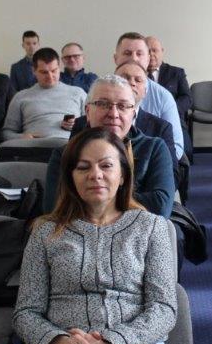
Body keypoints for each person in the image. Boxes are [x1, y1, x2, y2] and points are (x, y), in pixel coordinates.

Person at [13, 128, 177, 344]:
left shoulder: (151, 227)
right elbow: (26, 311)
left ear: (122, 175)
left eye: (106, 166)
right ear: (71, 177)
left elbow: (163, 309)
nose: (95, 175)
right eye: (83, 167)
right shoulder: (45, 231)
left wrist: (112, 343)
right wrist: (57, 341)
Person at [46, 75, 174, 218]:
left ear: (133, 114)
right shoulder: (65, 153)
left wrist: (95, 196)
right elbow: (54, 207)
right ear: (87, 111)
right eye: (103, 104)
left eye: (122, 106)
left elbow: (161, 207)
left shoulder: (154, 148)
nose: (113, 114)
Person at [113, 32, 185, 161]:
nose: (134, 59)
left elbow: (176, 148)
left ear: (148, 59)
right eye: (127, 53)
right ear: (115, 58)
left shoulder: (163, 97)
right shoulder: (98, 91)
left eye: (139, 54)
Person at [2, 47, 87, 141]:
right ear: (34, 71)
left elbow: (93, 126)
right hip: (33, 145)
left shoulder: (78, 93)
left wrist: (78, 125)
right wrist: (22, 137)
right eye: (44, 72)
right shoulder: (21, 97)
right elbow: (6, 133)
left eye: (54, 71)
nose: (50, 76)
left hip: (69, 145)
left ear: (59, 68)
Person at [112, 61, 177, 164]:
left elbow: (171, 170)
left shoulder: (161, 128)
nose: (132, 83)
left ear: (145, 92)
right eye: (124, 78)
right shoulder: (89, 121)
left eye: (138, 80)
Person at [146, 35, 192, 126]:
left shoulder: (176, 73)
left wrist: (169, 110)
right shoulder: (134, 75)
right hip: (144, 122)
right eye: (147, 51)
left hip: (172, 120)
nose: (151, 54)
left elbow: (187, 98)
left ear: (162, 51)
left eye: (154, 50)